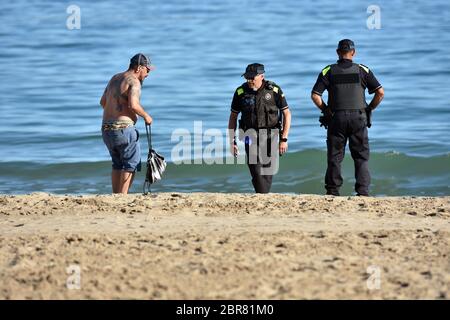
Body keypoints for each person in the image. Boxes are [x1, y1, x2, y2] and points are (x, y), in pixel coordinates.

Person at [311, 39, 384, 196]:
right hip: (359, 117)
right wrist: (369, 109)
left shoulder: (328, 71)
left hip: (336, 118)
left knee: (334, 157)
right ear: (354, 52)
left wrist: (326, 110)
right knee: (361, 157)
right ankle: (363, 192)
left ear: (338, 52)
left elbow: (315, 95)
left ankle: (333, 191)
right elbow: (380, 92)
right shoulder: (363, 70)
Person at [228, 63, 291, 193]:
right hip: (249, 135)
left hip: (271, 135)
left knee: (268, 173)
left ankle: (262, 196)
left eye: (252, 78)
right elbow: (233, 117)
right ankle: (262, 195)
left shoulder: (274, 90)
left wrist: (284, 139)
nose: (249, 81)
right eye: (247, 78)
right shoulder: (241, 92)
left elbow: (287, 114)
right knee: (256, 172)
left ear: (261, 76)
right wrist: (232, 141)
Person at [100, 53, 154, 194]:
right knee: (132, 164)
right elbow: (134, 105)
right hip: (124, 130)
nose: (148, 74)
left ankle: (116, 195)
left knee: (117, 164)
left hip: (107, 129)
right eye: (147, 70)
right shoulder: (134, 81)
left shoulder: (114, 78)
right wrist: (146, 116)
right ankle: (122, 197)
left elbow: (102, 102)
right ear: (139, 68)